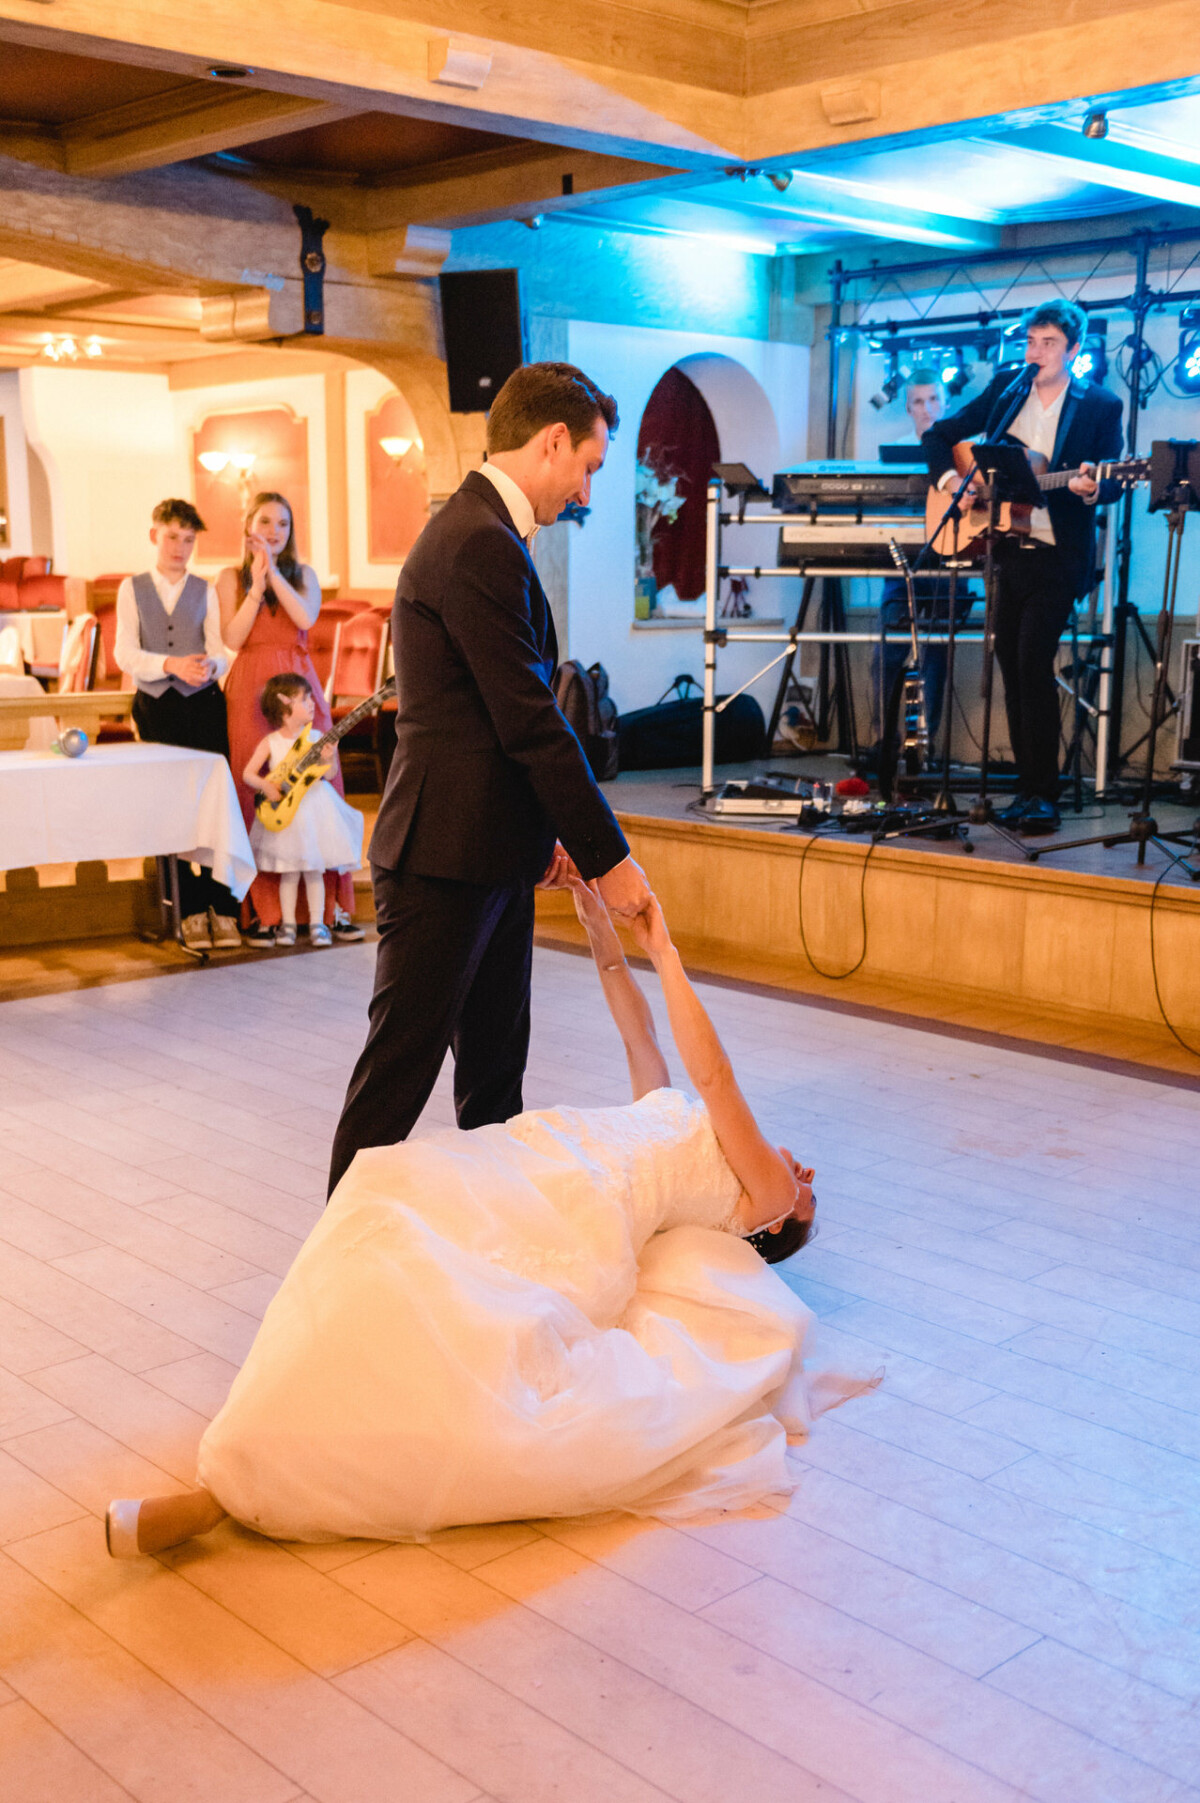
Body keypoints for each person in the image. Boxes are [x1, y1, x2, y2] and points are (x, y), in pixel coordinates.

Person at [105, 879, 883, 1560]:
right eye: (808, 1182)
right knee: (382, 1210)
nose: (805, 1178)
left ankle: (244, 1484)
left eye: (809, 1199)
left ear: (772, 1228)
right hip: (539, 1155)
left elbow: (716, 1075)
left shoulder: (763, 1193)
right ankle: (244, 1457)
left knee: (444, 1299)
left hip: (579, 1200)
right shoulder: (674, 1117)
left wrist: (667, 943)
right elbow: (637, 1025)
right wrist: (595, 914)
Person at [327, 361, 652, 1197]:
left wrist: (537, 838)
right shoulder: (476, 540)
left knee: (495, 1084)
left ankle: (490, 1265)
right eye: (588, 466)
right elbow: (528, 720)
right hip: (440, 859)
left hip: (488, 853)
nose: (585, 491)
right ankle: (332, 1291)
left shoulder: (489, 534)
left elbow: (488, 724)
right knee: (393, 1091)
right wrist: (609, 857)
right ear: (551, 442)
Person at [923, 301, 1124, 832]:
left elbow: (1116, 479)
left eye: (1049, 343)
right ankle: (1027, 789)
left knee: (1033, 660)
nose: (1036, 352)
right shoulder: (1008, 390)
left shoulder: (1101, 405)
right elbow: (939, 435)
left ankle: (1045, 795)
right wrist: (953, 486)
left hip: (1059, 557)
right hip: (1005, 551)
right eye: (1032, 342)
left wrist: (1093, 488)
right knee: (1011, 663)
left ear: (1074, 351)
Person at [218, 491, 364, 945]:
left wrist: (275, 575)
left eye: (282, 524)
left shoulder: (304, 575)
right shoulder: (228, 577)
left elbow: (305, 615)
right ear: (248, 525)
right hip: (250, 686)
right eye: (265, 521)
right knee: (256, 789)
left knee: (318, 785)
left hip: (298, 684)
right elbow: (232, 636)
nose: (274, 531)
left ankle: (328, 910)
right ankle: (263, 912)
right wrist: (255, 587)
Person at [114, 498, 241, 953]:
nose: (180, 547)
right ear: (154, 536)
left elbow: (222, 651)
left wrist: (208, 666)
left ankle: (220, 905)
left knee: (211, 804)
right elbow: (124, 654)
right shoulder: (132, 589)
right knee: (166, 808)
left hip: (203, 708)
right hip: (155, 710)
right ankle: (185, 908)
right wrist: (169, 662)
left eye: (189, 540)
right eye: (172, 537)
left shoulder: (204, 590)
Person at [875, 370, 972, 753]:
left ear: (946, 403)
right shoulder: (895, 451)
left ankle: (924, 752)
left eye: (934, 399)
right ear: (907, 407)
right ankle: (884, 746)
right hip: (905, 563)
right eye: (918, 401)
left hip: (949, 561)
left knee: (933, 659)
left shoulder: (963, 452)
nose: (927, 408)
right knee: (887, 653)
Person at [243, 673, 364, 949]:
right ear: (284, 707)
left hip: (314, 810)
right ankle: (286, 924)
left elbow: (329, 774)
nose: (312, 703)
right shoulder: (271, 742)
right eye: (304, 698)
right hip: (287, 814)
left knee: (314, 870)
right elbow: (248, 773)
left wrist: (329, 756)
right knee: (289, 872)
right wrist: (266, 786)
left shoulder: (318, 738)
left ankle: (317, 924)